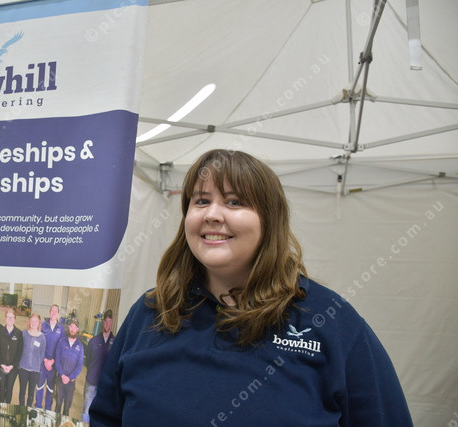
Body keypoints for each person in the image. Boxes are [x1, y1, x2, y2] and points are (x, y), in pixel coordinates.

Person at [89, 149, 413, 425]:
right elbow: (106, 417)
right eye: (201, 201)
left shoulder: (331, 322)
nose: (212, 214)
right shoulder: (151, 313)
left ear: (269, 220)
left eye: (234, 202)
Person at [81, 310, 114, 423]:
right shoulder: (93, 341)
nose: (107, 324)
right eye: (105, 321)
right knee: (87, 409)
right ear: (102, 322)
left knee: (100, 412)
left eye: (109, 321)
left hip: (104, 385)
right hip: (91, 381)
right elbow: (88, 361)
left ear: (112, 322)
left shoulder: (115, 342)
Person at [35, 304, 64, 410]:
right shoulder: (43, 325)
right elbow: (38, 343)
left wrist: (53, 361)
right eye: (52, 310)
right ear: (49, 312)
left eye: (56, 311)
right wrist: (45, 359)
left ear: (58, 314)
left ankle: (48, 409)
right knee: (39, 386)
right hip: (42, 362)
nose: (54, 313)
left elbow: (61, 347)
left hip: (53, 364)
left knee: (50, 388)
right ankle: (38, 407)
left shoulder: (61, 329)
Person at [54, 318, 84, 417]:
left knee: (67, 408)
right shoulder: (62, 342)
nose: (72, 329)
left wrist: (70, 377)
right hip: (60, 379)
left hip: (71, 382)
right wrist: (62, 375)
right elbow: (57, 360)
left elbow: (80, 365)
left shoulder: (80, 346)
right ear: (68, 327)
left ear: (78, 329)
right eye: (71, 326)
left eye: (75, 327)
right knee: (58, 405)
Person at [0, 308, 23, 403]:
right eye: (8, 317)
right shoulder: (0, 331)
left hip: (13, 368)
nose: (10, 319)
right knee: (2, 387)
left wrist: (12, 365)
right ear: (5, 318)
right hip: (1, 366)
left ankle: (7, 406)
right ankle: (1, 405)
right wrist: (2, 364)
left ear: (15, 319)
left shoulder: (19, 333)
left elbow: (19, 352)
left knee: (9, 388)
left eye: (12, 317)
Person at [18, 313, 46, 407]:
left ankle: (28, 408)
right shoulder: (24, 334)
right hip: (23, 368)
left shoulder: (42, 338)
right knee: (22, 391)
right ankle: (21, 409)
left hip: (35, 370)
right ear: (29, 322)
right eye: (32, 321)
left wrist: (37, 366)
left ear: (39, 323)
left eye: (36, 321)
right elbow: (19, 349)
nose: (34, 323)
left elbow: (42, 354)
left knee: (31, 393)